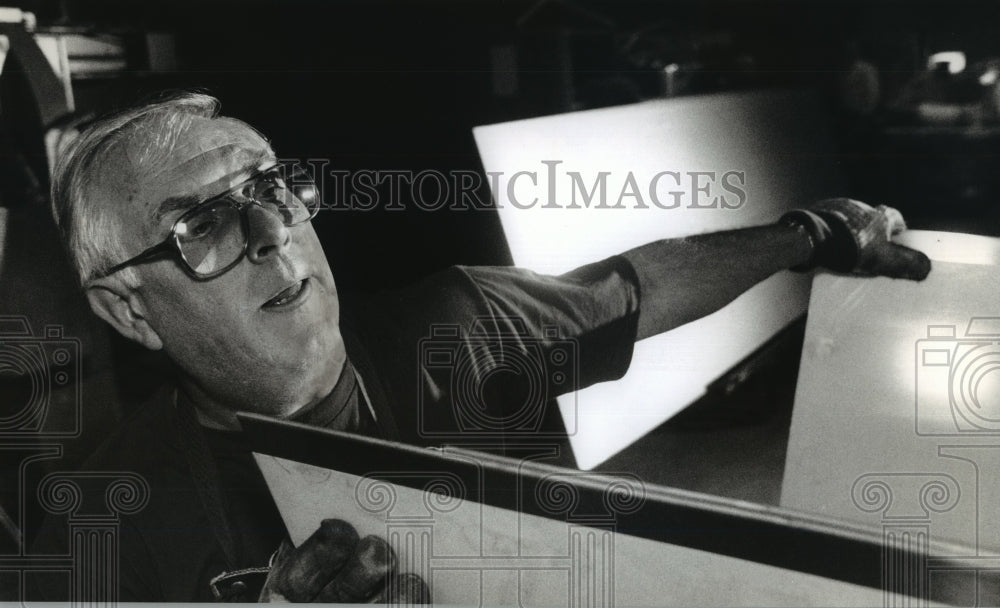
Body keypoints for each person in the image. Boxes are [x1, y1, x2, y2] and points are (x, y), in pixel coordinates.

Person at [30, 92, 930, 602]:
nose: (272, 230)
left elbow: (636, 286)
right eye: (202, 224)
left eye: (272, 186)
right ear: (130, 311)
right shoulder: (101, 521)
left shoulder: (457, 329)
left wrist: (811, 236)